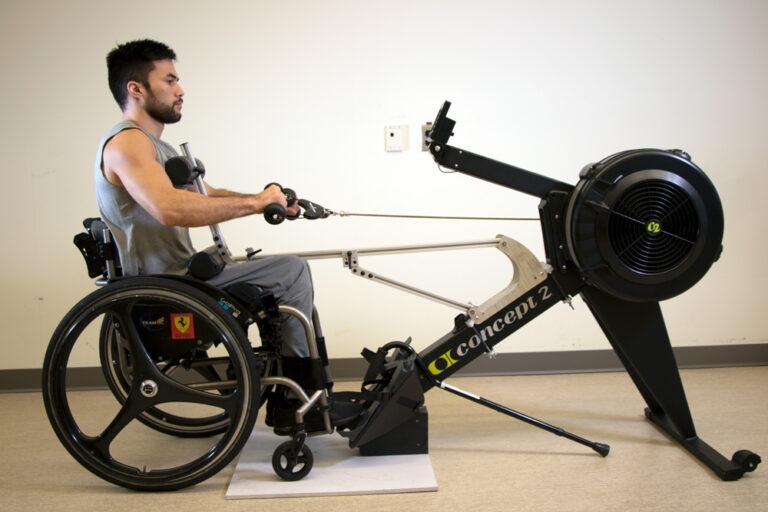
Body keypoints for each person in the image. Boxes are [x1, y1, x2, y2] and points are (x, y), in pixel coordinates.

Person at [95, 39, 315, 366]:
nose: (180, 90)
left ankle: (297, 374)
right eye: (169, 80)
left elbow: (205, 194)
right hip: (166, 285)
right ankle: (299, 390)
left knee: (287, 272)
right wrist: (257, 204)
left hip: (182, 276)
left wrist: (272, 200)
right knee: (292, 271)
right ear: (136, 89)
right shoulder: (127, 143)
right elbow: (169, 208)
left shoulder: (155, 146)